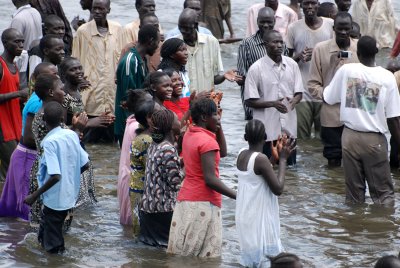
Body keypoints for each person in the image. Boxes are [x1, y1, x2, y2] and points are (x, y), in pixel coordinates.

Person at [323, 35, 400, 205]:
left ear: (357, 53)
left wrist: (331, 68)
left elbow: (328, 97)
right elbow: (393, 118)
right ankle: (383, 229)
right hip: (374, 140)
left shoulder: (346, 71)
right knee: (384, 194)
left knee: (353, 194)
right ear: (377, 51)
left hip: (349, 138)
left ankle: (354, 227)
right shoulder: (387, 77)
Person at [167, 98, 236, 257]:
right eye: (215, 114)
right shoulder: (206, 142)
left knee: (183, 256)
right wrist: (238, 196)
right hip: (203, 204)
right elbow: (210, 179)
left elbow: (222, 153)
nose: (218, 117)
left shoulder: (189, 133)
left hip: (185, 200)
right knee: (205, 259)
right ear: (205, 118)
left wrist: (218, 126)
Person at [24, 101, 89, 254]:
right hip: (68, 195)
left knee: (53, 246)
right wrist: (70, 179)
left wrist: (34, 195)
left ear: (44, 121)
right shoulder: (72, 135)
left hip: (55, 200)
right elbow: (85, 164)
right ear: (62, 119)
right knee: (46, 232)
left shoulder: (49, 142)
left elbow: (55, 175)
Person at [27, 73, 90, 231]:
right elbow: (63, 144)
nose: (65, 92)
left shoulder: (56, 107)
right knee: (48, 224)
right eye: (62, 89)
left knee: (57, 224)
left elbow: (77, 109)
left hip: (59, 171)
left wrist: (76, 128)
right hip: (50, 174)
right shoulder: (43, 119)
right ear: (51, 93)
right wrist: (76, 129)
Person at [0, 63, 57, 220]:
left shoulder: (45, 101)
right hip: (27, 157)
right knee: (26, 207)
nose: (57, 79)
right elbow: (30, 137)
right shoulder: (37, 103)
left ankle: (12, 237)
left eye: (57, 75)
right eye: (52, 77)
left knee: (15, 210)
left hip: (27, 156)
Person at [236, 119, 295, 267]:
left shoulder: (241, 154)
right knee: (266, 259)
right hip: (258, 218)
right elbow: (278, 189)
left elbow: (259, 174)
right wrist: (282, 159)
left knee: (252, 259)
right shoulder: (260, 159)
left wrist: (273, 159)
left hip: (246, 216)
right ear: (265, 137)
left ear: (245, 138)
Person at [244, 30, 303, 165]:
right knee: (267, 168)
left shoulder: (292, 65)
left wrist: (293, 102)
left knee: (291, 170)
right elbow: (249, 101)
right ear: (265, 45)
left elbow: (299, 93)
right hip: (267, 131)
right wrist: (273, 104)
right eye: (275, 42)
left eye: (281, 42)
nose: (279, 45)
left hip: (289, 129)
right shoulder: (255, 69)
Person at [307, 12, 359, 167]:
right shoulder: (320, 49)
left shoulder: (359, 48)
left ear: (351, 28)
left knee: (355, 160)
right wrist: (329, 95)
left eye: (347, 29)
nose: (343, 32)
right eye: (340, 29)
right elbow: (312, 85)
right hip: (331, 116)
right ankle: (332, 188)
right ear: (333, 28)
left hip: (355, 116)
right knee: (333, 158)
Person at [72, 0, 125, 143]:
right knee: (89, 141)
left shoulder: (118, 29)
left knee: (113, 142)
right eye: (94, 8)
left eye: (101, 9)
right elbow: (74, 59)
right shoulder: (82, 31)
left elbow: (122, 57)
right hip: (91, 93)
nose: (97, 12)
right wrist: (78, 80)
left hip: (112, 94)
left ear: (108, 10)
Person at [286, 0, 334, 140]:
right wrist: (299, 56)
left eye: (313, 3)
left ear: (318, 4)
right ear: (301, 5)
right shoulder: (293, 28)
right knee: (301, 139)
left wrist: (320, 53)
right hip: (302, 93)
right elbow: (286, 61)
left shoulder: (330, 25)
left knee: (323, 139)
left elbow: (338, 54)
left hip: (325, 90)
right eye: (306, 3)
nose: (310, 7)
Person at [139, 109, 183, 247]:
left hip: (149, 207)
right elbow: (175, 183)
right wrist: (189, 166)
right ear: (170, 126)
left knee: (150, 251)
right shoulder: (168, 149)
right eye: (177, 119)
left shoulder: (155, 144)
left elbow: (163, 167)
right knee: (164, 251)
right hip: (163, 210)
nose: (180, 121)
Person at [115, 24, 160, 145]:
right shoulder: (131, 61)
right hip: (129, 121)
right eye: (157, 42)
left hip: (139, 119)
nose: (158, 46)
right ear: (151, 41)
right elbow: (128, 98)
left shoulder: (142, 59)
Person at [177, 8, 241, 93]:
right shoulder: (174, 44)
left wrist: (224, 76)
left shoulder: (212, 43)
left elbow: (215, 79)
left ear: (196, 25)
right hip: (182, 103)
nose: (183, 31)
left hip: (206, 102)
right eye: (180, 27)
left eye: (187, 28)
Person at [117, 90, 151, 226]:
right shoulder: (137, 127)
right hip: (133, 178)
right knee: (134, 223)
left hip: (127, 175)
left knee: (130, 222)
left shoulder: (131, 121)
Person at [0, 28, 29, 182]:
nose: (21, 45)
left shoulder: (15, 66)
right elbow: (13, 93)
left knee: (15, 167)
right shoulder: (1, 65)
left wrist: (22, 99)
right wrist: (18, 94)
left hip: (15, 124)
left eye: (22, 41)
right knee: (10, 168)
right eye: (16, 42)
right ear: (5, 43)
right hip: (3, 126)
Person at [237, 7, 275, 120]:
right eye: (262, 21)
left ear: (275, 21)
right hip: (255, 105)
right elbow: (241, 77)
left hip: (277, 105)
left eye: (269, 22)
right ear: (257, 21)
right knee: (257, 135)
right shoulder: (246, 44)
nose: (266, 25)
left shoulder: (281, 44)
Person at [130, 98, 157, 235]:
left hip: (139, 188)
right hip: (142, 190)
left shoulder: (145, 137)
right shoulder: (146, 141)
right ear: (149, 118)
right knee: (143, 229)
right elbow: (152, 167)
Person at [28, 15, 65, 79]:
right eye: (56, 29)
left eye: (62, 28)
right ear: (46, 30)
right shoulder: (36, 50)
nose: (61, 32)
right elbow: (33, 76)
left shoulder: (63, 47)